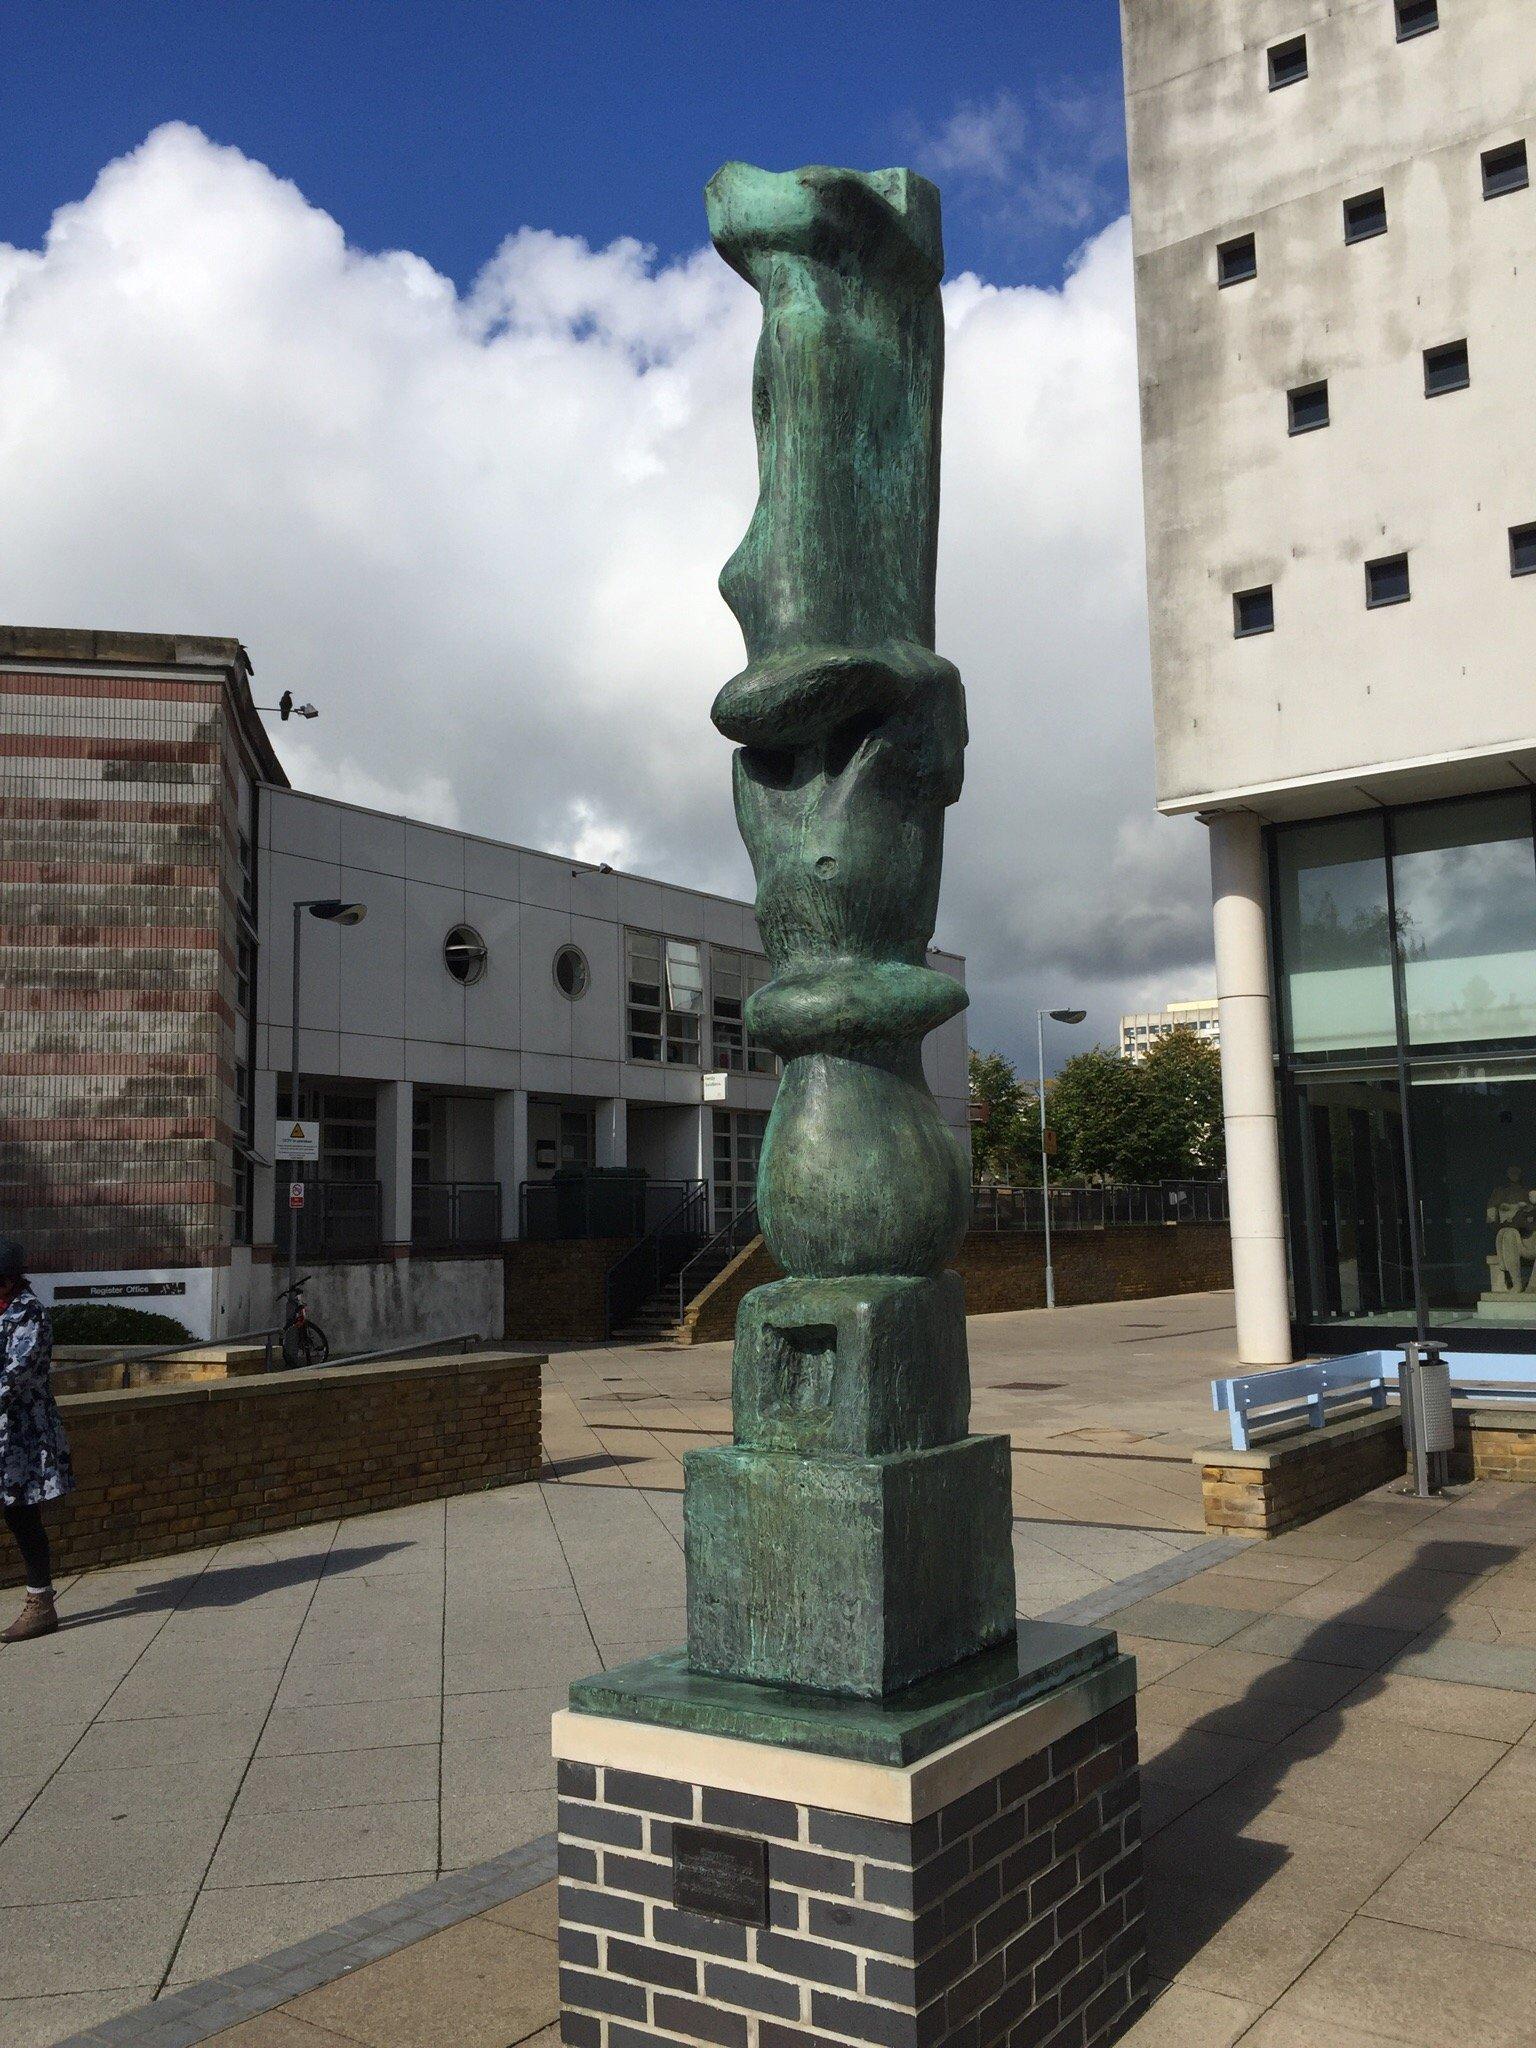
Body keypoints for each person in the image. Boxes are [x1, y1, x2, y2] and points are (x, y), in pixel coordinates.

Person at [0, 1238, 73, 1641]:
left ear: (8, 1280)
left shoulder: (31, 1315)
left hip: (22, 1435)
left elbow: (17, 1373)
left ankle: (40, 1605)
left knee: (22, 1516)